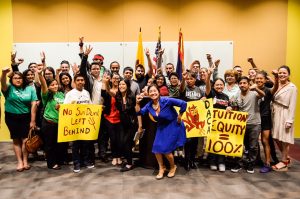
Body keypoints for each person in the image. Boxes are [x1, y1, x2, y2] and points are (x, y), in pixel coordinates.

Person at [136, 84, 187, 179]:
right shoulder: (149, 105)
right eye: (150, 91)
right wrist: (138, 103)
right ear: (148, 93)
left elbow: (183, 103)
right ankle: (161, 168)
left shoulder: (167, 100)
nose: (153, 93)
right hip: (161, 127)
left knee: (166, 150)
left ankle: (172, 167)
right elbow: (139, 112)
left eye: (155, 91)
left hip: (173, 125)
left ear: (158, 92)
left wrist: (180, 115)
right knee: (156, 148)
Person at [1, 68, 37, 172]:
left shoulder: (30, 89)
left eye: (20, 78)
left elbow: (33, 104)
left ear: (23, 79)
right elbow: (2, 82)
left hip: (25, 117)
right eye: (15, 78)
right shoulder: (8, 88)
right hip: (11, 117)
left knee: (25, 140)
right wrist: (4, 74)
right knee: (16, 139)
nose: (18, 80)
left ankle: (25, 161)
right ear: (11, 80)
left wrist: (33, 120)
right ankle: (19, 162)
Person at [231, 76, 265, 174]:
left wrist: (257, 88)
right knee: (239, 145)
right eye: (240, 83)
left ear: (248, 84)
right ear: (238, 85)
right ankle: (238, 163)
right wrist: (231, 107)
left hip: (254, 124)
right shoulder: (236, 95)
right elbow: (235, 109)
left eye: (244, 83)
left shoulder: (254, 93)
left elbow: (263, 95)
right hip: (241, 124)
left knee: (253, 146)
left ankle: (250, 164)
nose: (242, 85)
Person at [64, 73, 94, 173]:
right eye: (78, 80)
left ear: (84, 81)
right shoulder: (70, 94)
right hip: (74, 124)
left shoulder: (87, 93)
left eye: (82, 80)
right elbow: (65, 109)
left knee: (85, 144)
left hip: (85, 123)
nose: (80, 82)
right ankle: (76, 164)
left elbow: (90, 106)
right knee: (75, 145)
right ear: (74, 82)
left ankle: (85, 161)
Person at [37, 68, 65, 170]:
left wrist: (57, 74)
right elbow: (44, 85)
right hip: (49, 123)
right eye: (52, 85)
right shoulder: (46, 95)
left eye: (56, 84)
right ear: (48, 87)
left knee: (58, 144)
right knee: (50, 145)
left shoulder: (61, 94)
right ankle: (51, 163)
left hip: (60, 123)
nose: (55, 86)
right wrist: (40, 74)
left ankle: (58, 160)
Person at [271, 65, 297, 171]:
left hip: (285, 113)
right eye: (280, 73)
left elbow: (292, 104)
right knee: (276, 136)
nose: (282, 75)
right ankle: (286, 157)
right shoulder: (277, 84)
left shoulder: (292, 88)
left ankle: (284, 162)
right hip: (275, 112)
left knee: (285, 139)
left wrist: (290, 120)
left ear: (288, 74)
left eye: (284, 73)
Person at [205, 69, 231, 172]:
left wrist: (229, 109)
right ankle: (212, 162)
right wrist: (209, 75)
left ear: (224, 86)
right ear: (214, 86)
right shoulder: (210, 93)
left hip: (223, 124)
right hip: (212, 123)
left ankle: (221, 162)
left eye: (221, 85)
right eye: (217, 85)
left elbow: (228, 108)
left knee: (221, 142)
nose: (219, 86)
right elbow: (207, 86)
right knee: (212, 142)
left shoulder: (226, 96)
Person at [255, 70, 279, 173]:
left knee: (265, 141)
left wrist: (276, 77)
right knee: (253, 142)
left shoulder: (268, 90)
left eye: (261, 78)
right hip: (255, 119)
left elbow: (276, 88)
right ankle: (255, 160)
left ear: (265, 80)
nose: (259, 80)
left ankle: (268, 163)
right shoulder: (251, 89)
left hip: (265, 118)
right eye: (257, 78)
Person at [115, 79, 138, 172]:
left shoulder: (132, 96)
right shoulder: (118, 96)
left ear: (127, 86)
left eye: (123, 84)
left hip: (131, 123)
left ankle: (129, 163)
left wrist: (139, 125)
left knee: (126, 142)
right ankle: (129, 160)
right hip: (122, 122)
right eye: (120, 84)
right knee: (121, 142)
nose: (121, 86)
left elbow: (137, 111)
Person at [101, 73, 123, 166]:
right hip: (109, 117)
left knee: (119, 139)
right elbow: (104, 92)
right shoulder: (107, 90)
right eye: (114, 78)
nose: (116, 80)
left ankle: (119, 156)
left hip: (120, 118)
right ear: (111, 80)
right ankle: (114, 156)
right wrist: (104, 81)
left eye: (118, 78)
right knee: (113, 139)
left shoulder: (122, 89)